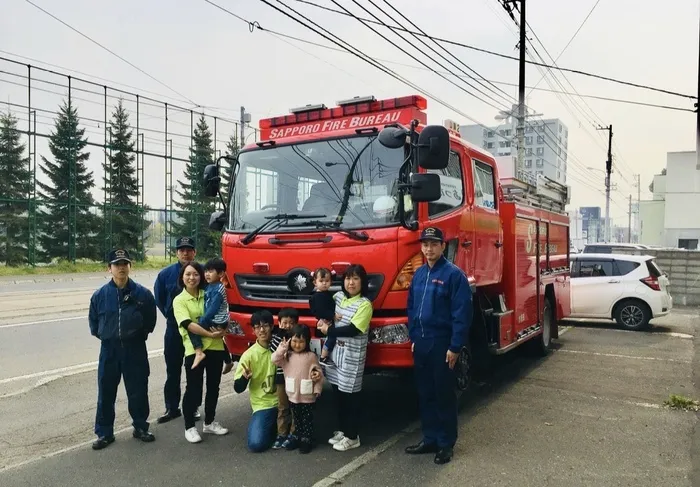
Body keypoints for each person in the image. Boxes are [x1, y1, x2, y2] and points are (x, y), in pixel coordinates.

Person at [404, 227, 472, 465]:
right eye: (425, 244)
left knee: (443, 394)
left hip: (442, 344)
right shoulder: (419, 274)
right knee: (425, 394)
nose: (428, 248)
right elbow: (411, 308)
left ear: (443, 246)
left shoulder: (454, 275)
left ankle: (445, 444)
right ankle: (430, 438)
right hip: (422, 343)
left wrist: (455, 347)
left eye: (433, 244)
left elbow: (461, 314)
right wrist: (413, 337)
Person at [89, 249, 157, 450]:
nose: (121, 267)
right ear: (108, 268)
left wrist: (136, 334)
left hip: (134, 349)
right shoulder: (100, 295)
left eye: (124, 263)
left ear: (130, 266)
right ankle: (104, 432)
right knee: (106, 392)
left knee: (138, 390)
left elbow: (150, 321)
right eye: (116, 264)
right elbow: (94, 323)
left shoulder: (142, 294)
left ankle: (140, 427)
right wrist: (107, 335)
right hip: (109, 350)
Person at [316, 264, 373, 452]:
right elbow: (320, 303)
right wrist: (321, 317)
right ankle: (343, 430)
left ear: (362, 282)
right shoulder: (338, 297)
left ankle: (353, 436)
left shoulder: (364, 304)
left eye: (356, 278)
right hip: (335, 356)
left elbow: (353, 330)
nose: (351, 282)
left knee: (350, 398)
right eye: (348, 278)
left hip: (351, 357)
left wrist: (328, 329)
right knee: (339, 395)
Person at [173, 261, 230, 443]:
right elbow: (188, 325)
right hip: (193, 350)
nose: (192, 277)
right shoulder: (179, 300)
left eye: (196, 274)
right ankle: (190, 427)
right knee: (193, 389)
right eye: (188, 274)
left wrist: (223, 331)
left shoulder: (210, 293)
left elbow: (223, 312)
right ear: (182, 277)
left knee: (214, 387)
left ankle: (210, 422)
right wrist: (209, 333)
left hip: (215, 347)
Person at [154, 236, 200, 423]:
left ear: (194, 252)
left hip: (195, 331)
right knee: (172, 370)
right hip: (174, 329)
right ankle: (171, 408)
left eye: (189, 249)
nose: (185, 253)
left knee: (194, 371)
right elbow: (159, 298)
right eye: (182, 250)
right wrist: (172, 316)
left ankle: (193, 407)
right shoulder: (165, 275)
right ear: (176, 252)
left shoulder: (201, 273)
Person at [271, 324, 324, 454]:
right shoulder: (287, 356)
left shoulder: (311, 356)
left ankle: (307, 439)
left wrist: (317, 389)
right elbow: (274, 359)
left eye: (301, 341)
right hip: (292, 395)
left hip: (307, 396)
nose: (297, 345)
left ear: (307, 342)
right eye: (294, 341)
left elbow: (318, 373)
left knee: (307, 419)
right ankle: (296, 436)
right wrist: (283, 348)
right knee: (297, 418)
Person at [190, 257, 233, 374]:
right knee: (219, 338)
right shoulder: (210, 286)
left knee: (193, 328)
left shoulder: (218, 289)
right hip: (217, 319)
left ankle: (198, 351)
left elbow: (213, 308)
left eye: (210, 271)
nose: (207, 274)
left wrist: (204, 319)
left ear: (221, 273)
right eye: (206, 271)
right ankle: (228, 360)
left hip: (217, 320)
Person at [271, 308, 299, 450]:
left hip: (295, 377)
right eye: (285, 323)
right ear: (279, 323)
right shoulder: (276, 337)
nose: (288, 326)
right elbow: (273, 353)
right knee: (282, 407)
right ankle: (281, 434)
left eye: (291, 323)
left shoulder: (298, 338)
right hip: (281, 377)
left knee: (295, 406)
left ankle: (293, 434)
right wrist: (283, 344)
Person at [309, 267, 337, 365]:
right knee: (332, 336)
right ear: (315, 282)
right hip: (327, 320)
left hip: (327, 320)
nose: (324, 283)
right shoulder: (317, 297)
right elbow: (320, 311)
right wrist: (332, 316)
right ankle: (323, 356)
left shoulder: (327, 294)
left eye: (327, 281)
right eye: (321, 281)